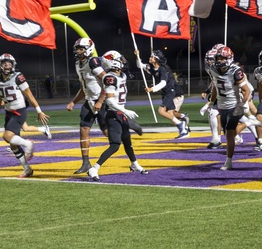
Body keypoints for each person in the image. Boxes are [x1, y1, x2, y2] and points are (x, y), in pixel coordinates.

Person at [0, 53, 50, 178]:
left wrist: (39, 110)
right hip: (9, 112)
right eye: (5, 63)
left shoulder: (18, 77)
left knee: (7, 136)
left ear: (13, 65)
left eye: (9, 63)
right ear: (0, 65)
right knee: (13, 144)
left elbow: (29, 95)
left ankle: (27, 144)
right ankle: (27, 169)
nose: (7, 65)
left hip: (20, 111)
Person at [87, 50, 147, 181]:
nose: (123, 62)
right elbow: (109, 100)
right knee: (115, 145)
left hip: (120, 113)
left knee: (127, 141)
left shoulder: (121, 76)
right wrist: (125, 111)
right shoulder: (110, 78)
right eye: (120, 59)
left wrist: (137, 56)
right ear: (113, 62)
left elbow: (135, 67)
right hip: (113, 114)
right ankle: (94, 168)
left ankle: (134, 164)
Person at [206, 45, 255, 171]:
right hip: (222, 106)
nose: (219, 61)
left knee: (229, 133)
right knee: (227, 133)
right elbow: (216, 88)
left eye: (222, 58)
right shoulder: (213, 69)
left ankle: (228, 161)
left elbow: (246, 90)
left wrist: (242, 104)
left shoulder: (235, 71)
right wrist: (211, 103)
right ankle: (249, 121)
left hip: (234, 105)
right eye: (218, 58)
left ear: (229, 58)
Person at [66, 37, 106, 174]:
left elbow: (108, 81)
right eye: (77, 49)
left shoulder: (93, 62)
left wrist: (101, 101)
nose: (78, 51)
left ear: (88, 49)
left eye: (81, 49)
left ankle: (127, 133)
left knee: (107, 132)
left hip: (102, 101)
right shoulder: (78, 64)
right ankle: (86, 162)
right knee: (84, 129)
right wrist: (73, 102)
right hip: (89, 101)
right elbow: (85, 87)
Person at [135, 48, 189, 138]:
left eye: (152, 56)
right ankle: (183, 130)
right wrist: (137, 56)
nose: (150, 57)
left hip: (170, 91)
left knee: (161, 111)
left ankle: (181, 124)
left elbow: (163, 83)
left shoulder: (163, 69)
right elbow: (140, 66)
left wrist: (152, 89)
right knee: (170, 113)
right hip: (165, 92)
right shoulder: (153, 68)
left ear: (156, 59)